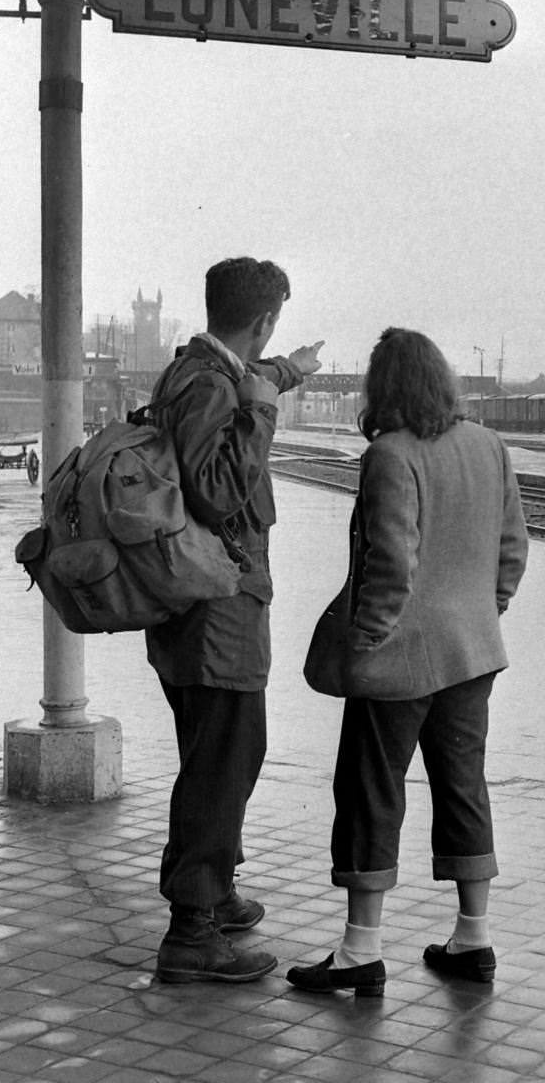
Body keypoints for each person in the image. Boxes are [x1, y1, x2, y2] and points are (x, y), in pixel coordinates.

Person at [287, 327, 528, 997]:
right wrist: (484, 613)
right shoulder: (488, 445)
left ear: (382, 388)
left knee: (370, 792)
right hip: (471, 654)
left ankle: (360, 950)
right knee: (463, 785)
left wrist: (368, 641)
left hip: (399, 659)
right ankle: (473, 937)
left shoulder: (390, 455)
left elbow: (391, 563)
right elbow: (513, 549)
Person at [147, 256, 323, 984]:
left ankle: (210, 895)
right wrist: (268, 409)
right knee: (225, 760)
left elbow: (250, 378)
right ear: (263, 321)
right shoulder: (212, 384)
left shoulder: (201, 366)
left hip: (204, 603)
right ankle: (192, 931)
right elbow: (219, 492)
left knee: (218, 755)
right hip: (218, 608)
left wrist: (288, 371)